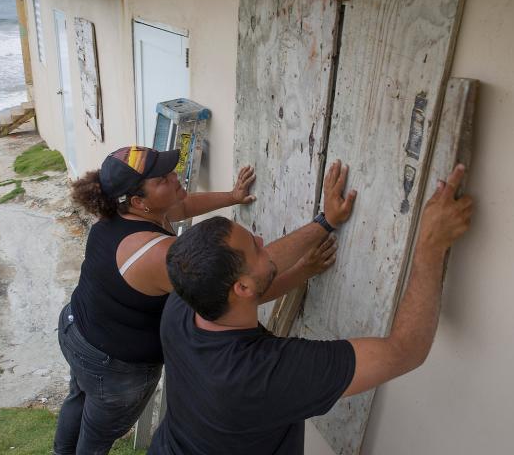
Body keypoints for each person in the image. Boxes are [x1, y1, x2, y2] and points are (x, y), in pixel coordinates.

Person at [148, 162, 474, 454]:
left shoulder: (187, 298)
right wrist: (430, 246)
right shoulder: (261, 376)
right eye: (254, 247)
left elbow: (255, 277)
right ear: (242, 287)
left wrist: (325, 222)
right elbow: (406, 350)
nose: (263, 243)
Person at [53, 145, 335, 454]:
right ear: (138, 201)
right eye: (162, 179)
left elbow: (183, 207)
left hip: (75, 328)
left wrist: (232, 196)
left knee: (78, 399)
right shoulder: (158, 256)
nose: (174, 178)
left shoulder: (123, 211)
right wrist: (322, 228)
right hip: (114, 363)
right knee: (97, 434)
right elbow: (250, 281)